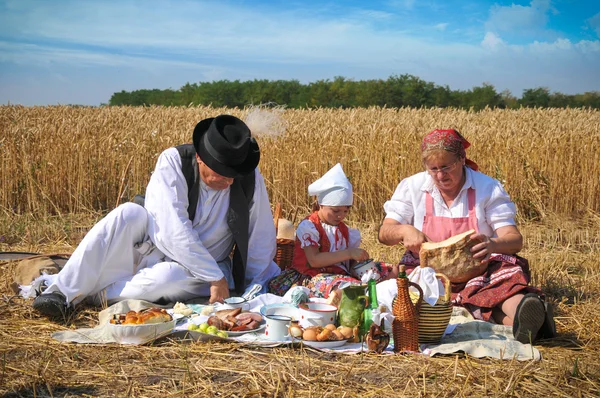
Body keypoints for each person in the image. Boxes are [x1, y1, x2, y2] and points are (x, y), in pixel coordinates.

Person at [31, 115, 281, 318]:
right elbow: (172, 230)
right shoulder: (173, 161)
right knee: (128, 213)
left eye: (232, 175)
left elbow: (260, 232)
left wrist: (253, 287)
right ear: (200, 157)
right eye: (221, 173)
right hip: (151, 249)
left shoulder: (248, 177)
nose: (228, 181)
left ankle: (88, 292)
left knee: (167, 278)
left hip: (197, 272)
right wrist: (215, 277)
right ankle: (60, 293)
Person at [378, 129, 556, 344]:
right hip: (430, 274)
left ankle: (523, 308)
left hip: (480, 268)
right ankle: (534, 326)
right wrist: (404, 230)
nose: (440, 175)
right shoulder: (412, 186)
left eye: (446, 167)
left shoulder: (487, 187)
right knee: (411, 295)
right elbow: (384, 234)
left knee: (500, 291)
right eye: (433, 169)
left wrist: (492, 244)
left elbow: (514, 240)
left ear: (462, 159)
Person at [268, 163, 397, 298]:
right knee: (340, 286)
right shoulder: (310, 227)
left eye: (345, 211)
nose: (341, 216)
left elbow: (348, 265)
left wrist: (361, 268)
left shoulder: (344, 231)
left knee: (387, 269)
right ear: (321, 204)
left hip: (339, 275)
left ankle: (376, 288)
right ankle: (368, 292)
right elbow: (314, 261)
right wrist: (349, 253)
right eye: (335, 211)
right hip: (312, 277)